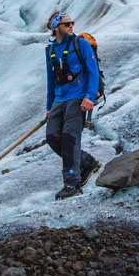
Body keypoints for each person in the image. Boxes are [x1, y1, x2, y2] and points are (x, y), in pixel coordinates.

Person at [44, 11, 101, 200]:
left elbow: (92, 71)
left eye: (71, 23)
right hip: (59, 99)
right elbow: (51, 80)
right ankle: (86, 162)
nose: (71, 27)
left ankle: (72, 183)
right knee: (52, 137)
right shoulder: (50, 50)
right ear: (56, 28)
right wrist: (48, 106)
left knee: (70, 137)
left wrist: (90, 96)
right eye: (66, 24)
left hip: (78, 97)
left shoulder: (80, 44)